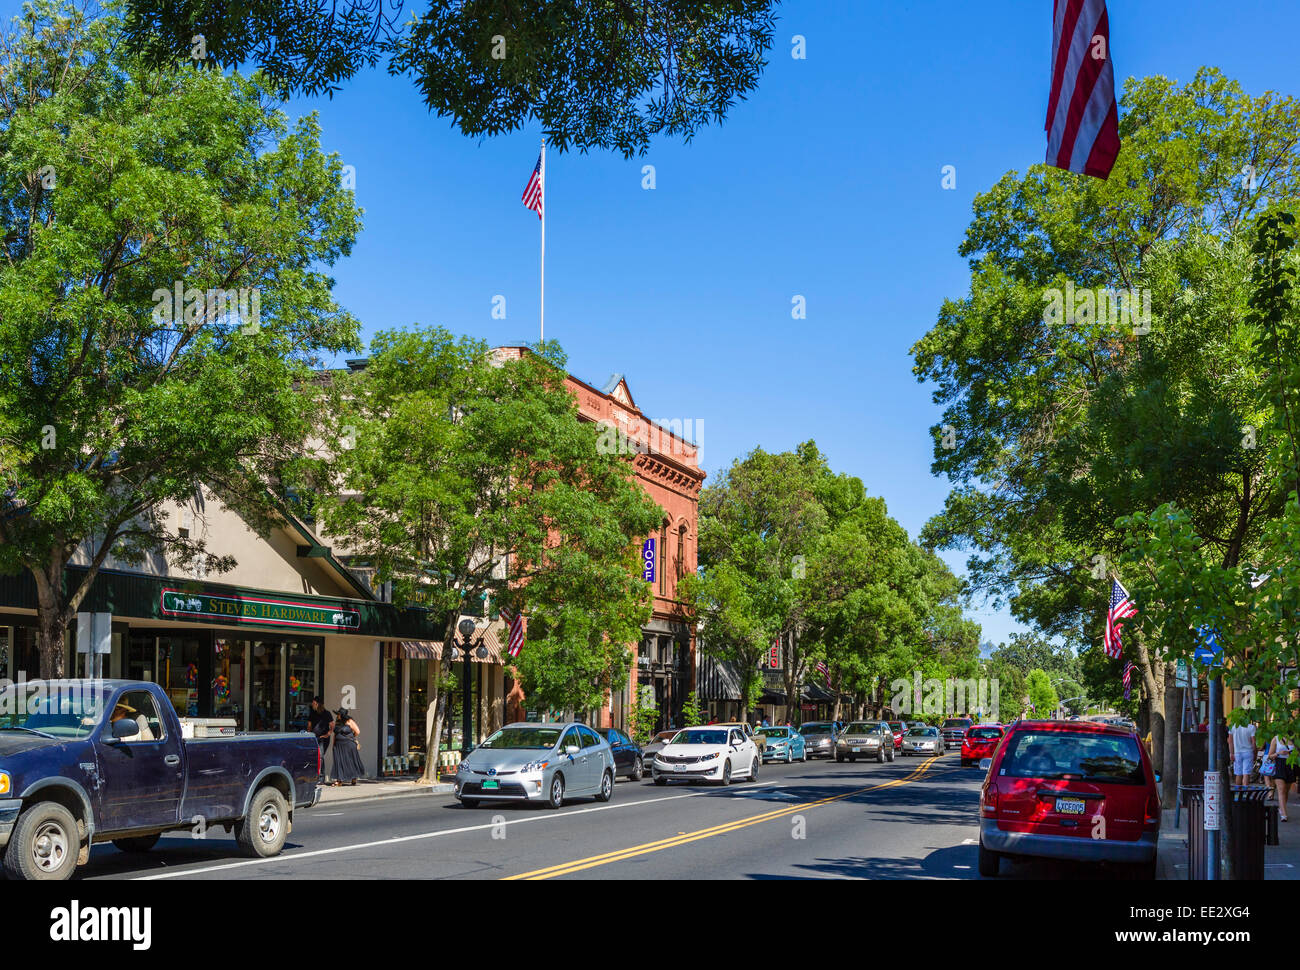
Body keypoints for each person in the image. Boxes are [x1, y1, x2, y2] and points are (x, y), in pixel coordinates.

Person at [331, 708, 364, 786]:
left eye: (338, 714)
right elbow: (335, 734)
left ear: (342, 715)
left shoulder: (349, 721)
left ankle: (354, 778)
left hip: (349, 745)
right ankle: (339, 781)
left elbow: (357, 731)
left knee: (351, 761)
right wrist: (333, 744)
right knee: (338, 762)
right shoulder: (338, 722)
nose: (337, 716)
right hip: (338, 745)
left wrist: (351, 737)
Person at [1268, 733, 1295, 821]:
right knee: (1281, 789)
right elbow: (1270, 756)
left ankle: (1281, 808)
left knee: (1286, 790)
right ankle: (1284, 814)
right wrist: (1279, 753)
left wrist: (1292, 754)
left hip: (1291, 765)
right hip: (1279, 765)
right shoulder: (1275, 738)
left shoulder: (1294, 738)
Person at [308, 697, 334, 780]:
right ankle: (314, 776)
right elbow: (309, 725)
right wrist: (309, 735)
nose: (312, 705)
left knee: (321, 756)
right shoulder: (312, 713)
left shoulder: (327, 713)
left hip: (323, 739)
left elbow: (332, 725)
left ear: (318, 704)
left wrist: (328, 734)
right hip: (313, 738)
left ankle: (321, 778)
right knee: (315, 757)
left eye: (314, 703)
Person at [1229, 720, 1257, 787]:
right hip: (1248, 752)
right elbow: (1253, 742)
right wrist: (1255, 753)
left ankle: (1238, 792)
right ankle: (1245, 792)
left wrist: (1231, 753)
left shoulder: (1233, 726)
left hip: (1237, 752)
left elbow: (1230, 741)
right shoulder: (1251, 727)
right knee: (1246, 773)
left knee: (1238, 773)